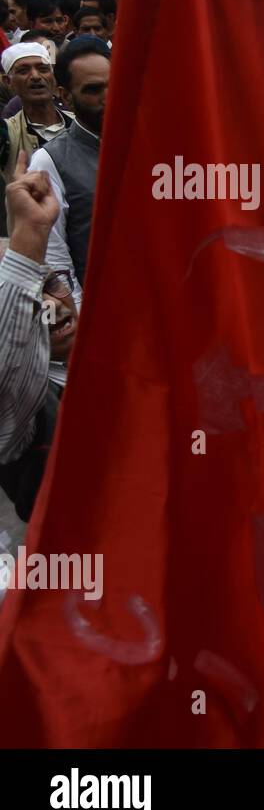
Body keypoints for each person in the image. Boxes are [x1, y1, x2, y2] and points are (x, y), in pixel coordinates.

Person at [0, 155, 81, 521]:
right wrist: (29, 235)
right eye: (29, 301)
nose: (51, 306)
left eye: (49, 284)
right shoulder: (25, 407)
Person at [29, 37, 109, 289]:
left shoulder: (152, 146)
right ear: (66, 96)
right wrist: (77, 319)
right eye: (94, 90)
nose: (109, 97)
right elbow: (54, 259)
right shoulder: (49, 160)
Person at [0, 44, 71, 206]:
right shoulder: (6, 133)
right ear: (7, 81)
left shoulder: (79, 123)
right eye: (23, 71)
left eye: (43, 69)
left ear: (53, 77)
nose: (35, 76)